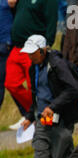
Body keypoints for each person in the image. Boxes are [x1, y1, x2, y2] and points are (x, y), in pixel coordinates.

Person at [20, 35, 78, 158]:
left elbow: (73, 89)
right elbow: (36, 95)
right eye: (28, 53)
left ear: (43, 50)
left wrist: (53, 107)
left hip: (61, 121)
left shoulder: (57, 64)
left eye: (33, 53)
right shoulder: (34, 68)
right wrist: (29, 117)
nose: (30, 56)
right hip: (42, 121)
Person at [5, 0, 58, 130]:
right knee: (11, 83)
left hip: (34, 49)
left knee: (36, 86)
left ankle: (45, 121)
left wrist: (47, 46)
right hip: (17, 47)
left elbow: (52, 20)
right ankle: (32, 114)